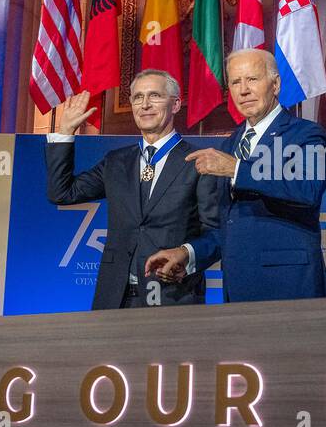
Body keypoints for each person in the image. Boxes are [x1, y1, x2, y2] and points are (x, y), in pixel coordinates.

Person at [146, 48, 326, 302]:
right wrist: (188, 254)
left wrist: (237, 169)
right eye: (235, 82)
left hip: (289, 285)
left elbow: (307, 188)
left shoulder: (305, 133)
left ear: (275, 84)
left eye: (252, 79)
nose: (243, 90)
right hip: (238, 287)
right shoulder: (230, 144)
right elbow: (227, 225)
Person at [45, 70, 220, 308]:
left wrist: (186, 253)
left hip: (173, 296)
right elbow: (62, 193)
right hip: (114, 297)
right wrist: (65, 134)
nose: (145, 104)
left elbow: (217, 234)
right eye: (138, 97)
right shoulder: (116, 161)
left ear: (176, 104)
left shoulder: (198, 162)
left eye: (155, 96)